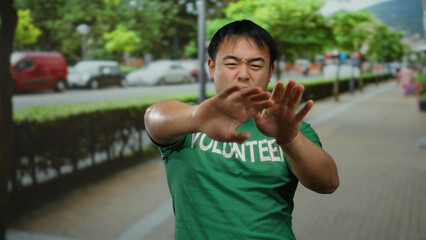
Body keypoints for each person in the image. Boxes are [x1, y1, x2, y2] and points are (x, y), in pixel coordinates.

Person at [144, 19, 339, 240]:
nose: (244, 74)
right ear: (211, 67)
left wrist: (288, 138)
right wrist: (196, 117)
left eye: (255, 65)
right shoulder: (188, 123)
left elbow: (328, 183)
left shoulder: (292, 128)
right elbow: (154, 117)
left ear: (270, 71)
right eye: (231, 64)